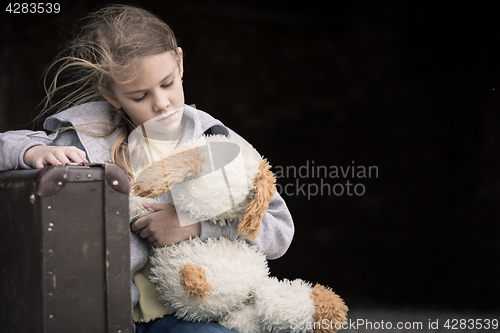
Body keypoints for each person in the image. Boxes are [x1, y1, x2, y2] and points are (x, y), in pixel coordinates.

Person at [0, 4, 294, 333]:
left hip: (192, 314)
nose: (161, 103)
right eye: (139, 95)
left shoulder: (217, 140)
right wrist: (33, 150)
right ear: (111, 95)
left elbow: (278, 230)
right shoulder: (86, 137)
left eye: (167, 83)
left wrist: (192, 226)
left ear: (179, 63)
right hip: (114, 317)